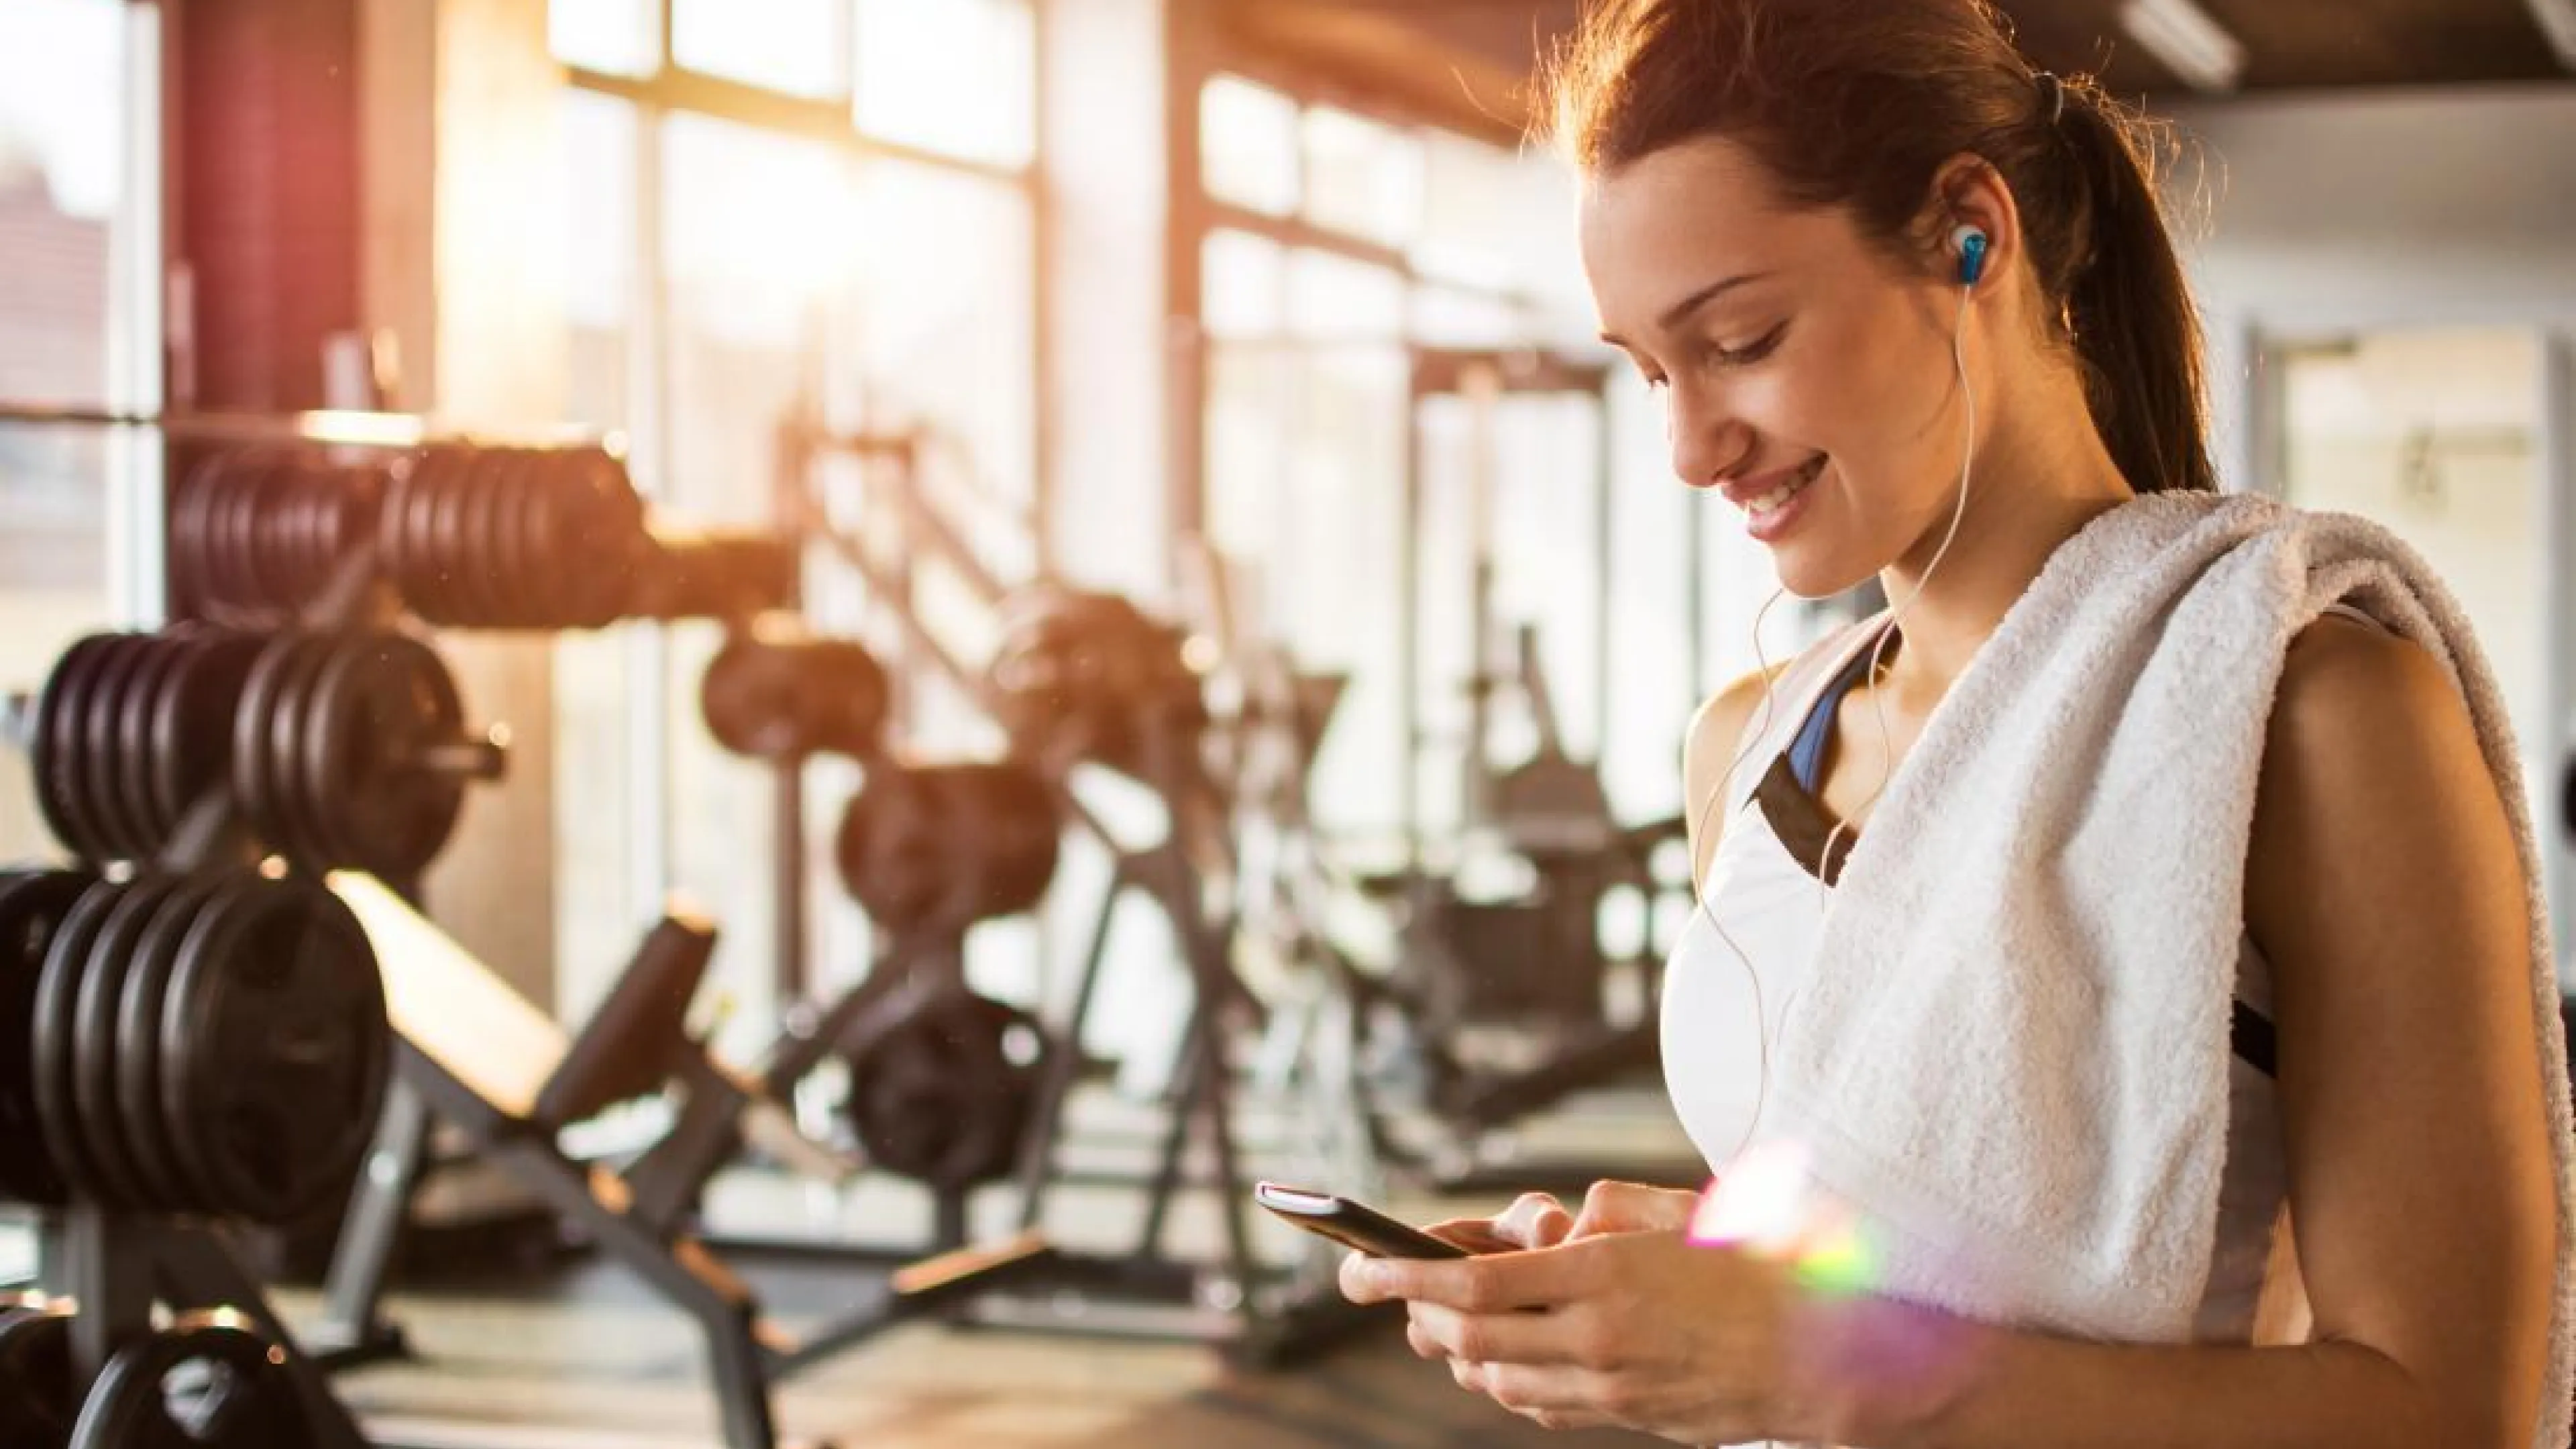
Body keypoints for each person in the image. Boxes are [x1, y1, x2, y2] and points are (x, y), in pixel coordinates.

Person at [1337, 1, 2571, 1445]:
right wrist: (1659, 1286)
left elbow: (2445, 1412)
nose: (1689, 446)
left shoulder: (2310, 719)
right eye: (1651, 370)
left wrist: (1814, 1367)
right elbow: (1876, 1238)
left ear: (1970, 235)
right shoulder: (1748, 747)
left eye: (1741, 337)